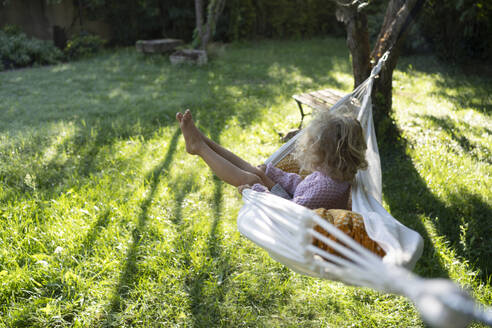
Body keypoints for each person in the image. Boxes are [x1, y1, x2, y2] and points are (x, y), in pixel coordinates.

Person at [176, 108, 368, 210]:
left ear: (327, 156)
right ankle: (203, 141)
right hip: (290, 202)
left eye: (312, 149)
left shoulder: (327, 187)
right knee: (258, 172)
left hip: (289, 218)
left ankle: (199, 147)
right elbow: (301, 185)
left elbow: (291, 212)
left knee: (252, 180)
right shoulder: (332, 176)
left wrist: (258, 191)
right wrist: (273, 173)